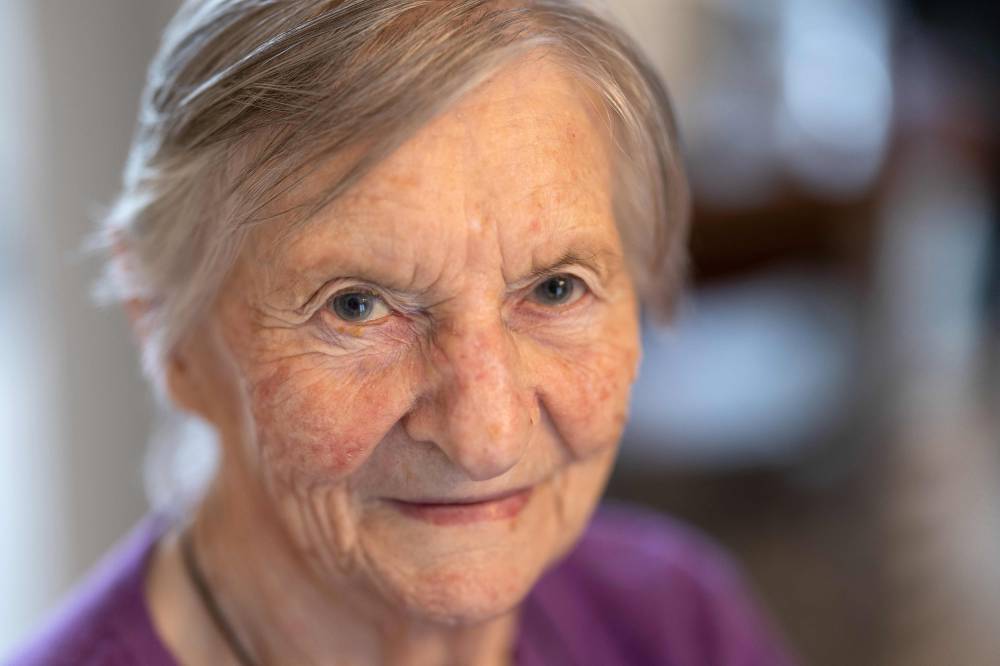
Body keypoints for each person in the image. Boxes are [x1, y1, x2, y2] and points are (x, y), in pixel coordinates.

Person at [7, 1, 795, 664]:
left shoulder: (676, 624)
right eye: (355, 306)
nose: (483, 435)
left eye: (555, 289)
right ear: (165, 330)